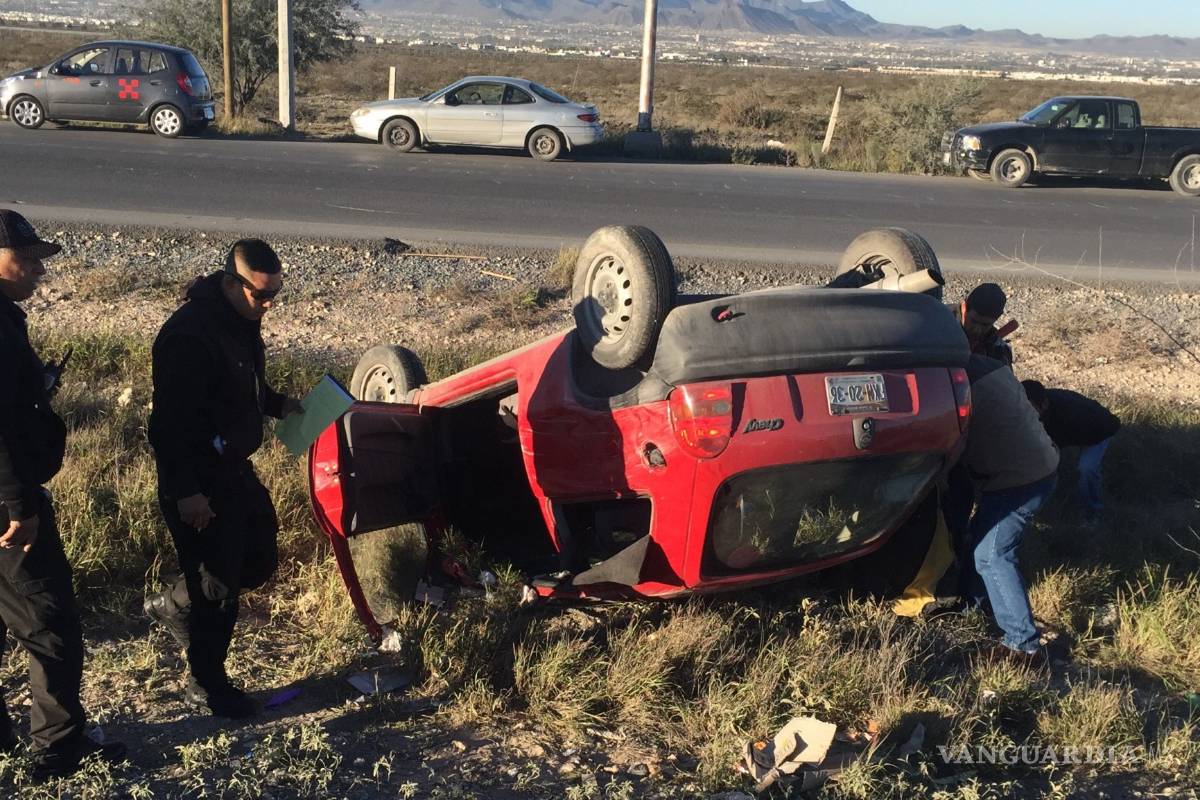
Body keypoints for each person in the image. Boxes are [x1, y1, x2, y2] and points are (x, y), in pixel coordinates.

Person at [145, 239, 299, 719]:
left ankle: (172, 603)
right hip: (197, 475)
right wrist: (188, 492)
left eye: (276, 294)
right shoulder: (190, 337)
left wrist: (278, 405)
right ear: (232, 284)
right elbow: (167, 426)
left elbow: (241, 388)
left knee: (259, 557)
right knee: (217, 586)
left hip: (232, 465)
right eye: (261, 295)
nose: (269, 304)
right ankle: (207, 686)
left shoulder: (241, 323)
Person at [0, 209, 126, 778]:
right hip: (8, 507)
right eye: (22, 259)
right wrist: (21, 506)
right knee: (49, 623)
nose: (35, 271)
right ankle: (58, 746)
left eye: (36, 260)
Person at [956, 355, 1059, 663]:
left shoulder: (957, 385)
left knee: (991, 555)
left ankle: (1023, 644)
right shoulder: (986, 365)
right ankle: (972, 606)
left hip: (1019, 481)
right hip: (1036, 466)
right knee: (979, 539)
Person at [1022, 380, 1120, 523]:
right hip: (1074, 429)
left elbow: (1049, 456)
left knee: (1086, 469)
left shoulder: (1066, 415)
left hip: (1099, 430)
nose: (1025, 412)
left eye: (1029, 408)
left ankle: (1092, 512)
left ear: (1043, 405)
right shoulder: (1034, 404)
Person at [950, 283, 1014, 366]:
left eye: (985, 325)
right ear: (964, 307)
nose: (977, 329)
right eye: (973, 321)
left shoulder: (997, 347)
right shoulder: (941, 321)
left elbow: (1004, 375)